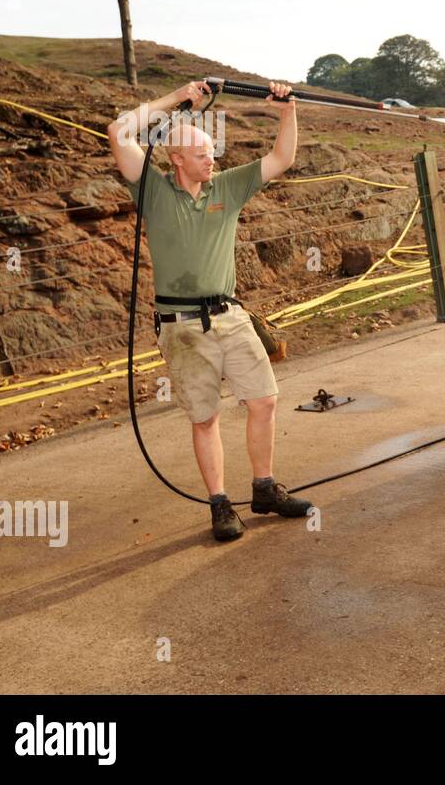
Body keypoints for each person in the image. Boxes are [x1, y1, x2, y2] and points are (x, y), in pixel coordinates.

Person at [107, 80, 312, 542]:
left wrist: (287, 112)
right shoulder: (153, 192)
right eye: (201, 155)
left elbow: (281, 160)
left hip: (230, 316)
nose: (211, 160)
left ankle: (264, 489)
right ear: (176, 159)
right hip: (181, 328)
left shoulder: (228, 186)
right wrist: (175, 100)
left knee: (264, 400)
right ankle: (220, 505)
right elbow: (119, 131)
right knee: (205, 418)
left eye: (212, 153)